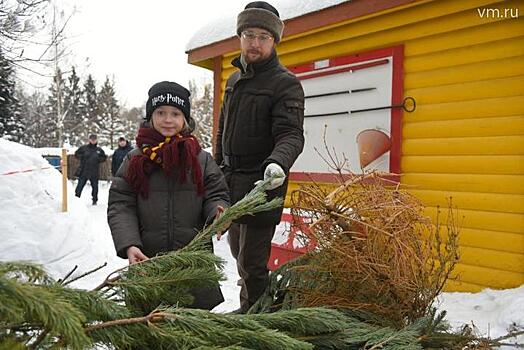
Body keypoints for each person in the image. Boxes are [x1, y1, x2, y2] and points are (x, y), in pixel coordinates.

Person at [214, 1, 305, 313]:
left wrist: (277, 163)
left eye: (263, 37)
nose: (255, 43)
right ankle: (250, 308)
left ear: (274, 41)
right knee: (238, 253)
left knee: (253, 263)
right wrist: (215, 171)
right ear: (240, 36)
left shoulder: (285, 83)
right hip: (231, 182)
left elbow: (291, 134)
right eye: (249, 34)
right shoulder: (233, 81)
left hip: (262, 185)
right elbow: (222, 130)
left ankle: (258, 321)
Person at [108, 81, 230, 310]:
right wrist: (129, 244)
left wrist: (217, 213)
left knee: (193, 331)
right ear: (150, 116)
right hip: (147, 260)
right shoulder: (134, 160)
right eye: (160, 112)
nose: (168, 119)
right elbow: (120, 205)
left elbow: (216, 194)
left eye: (175, 113)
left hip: (193, 262)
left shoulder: (201, 159)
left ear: (185, 119)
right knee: (147, 328)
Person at [74, 134, 107, 205]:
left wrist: (98, 159)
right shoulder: (84, 148)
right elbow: (76, 154)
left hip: (94, 171)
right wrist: (82, 157)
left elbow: (104, 158)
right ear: (89, 140)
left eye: (94, 139)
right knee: (79, 186)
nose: (93, 140)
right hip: (84, 170)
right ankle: (76, 199)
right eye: (92, 139)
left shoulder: (99, 150)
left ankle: (94, 200)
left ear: (96, 140)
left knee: (95, 187)